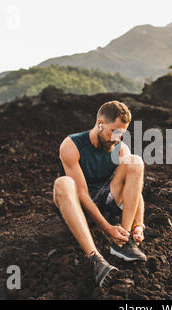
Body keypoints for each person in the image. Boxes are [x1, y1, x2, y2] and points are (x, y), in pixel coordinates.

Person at [52, 100, 147, 288]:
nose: (118, 138)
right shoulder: (72, 145)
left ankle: (124, 243)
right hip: (77, 208)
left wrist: (139, 224)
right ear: (100, 124)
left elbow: (136, 190)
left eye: (122, 133)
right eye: (115, 131)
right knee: (63, 183)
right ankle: (95, 259)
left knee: (135, 161)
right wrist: (107, 229)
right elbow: (82, 194)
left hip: (104, 201)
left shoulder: (119, 148)